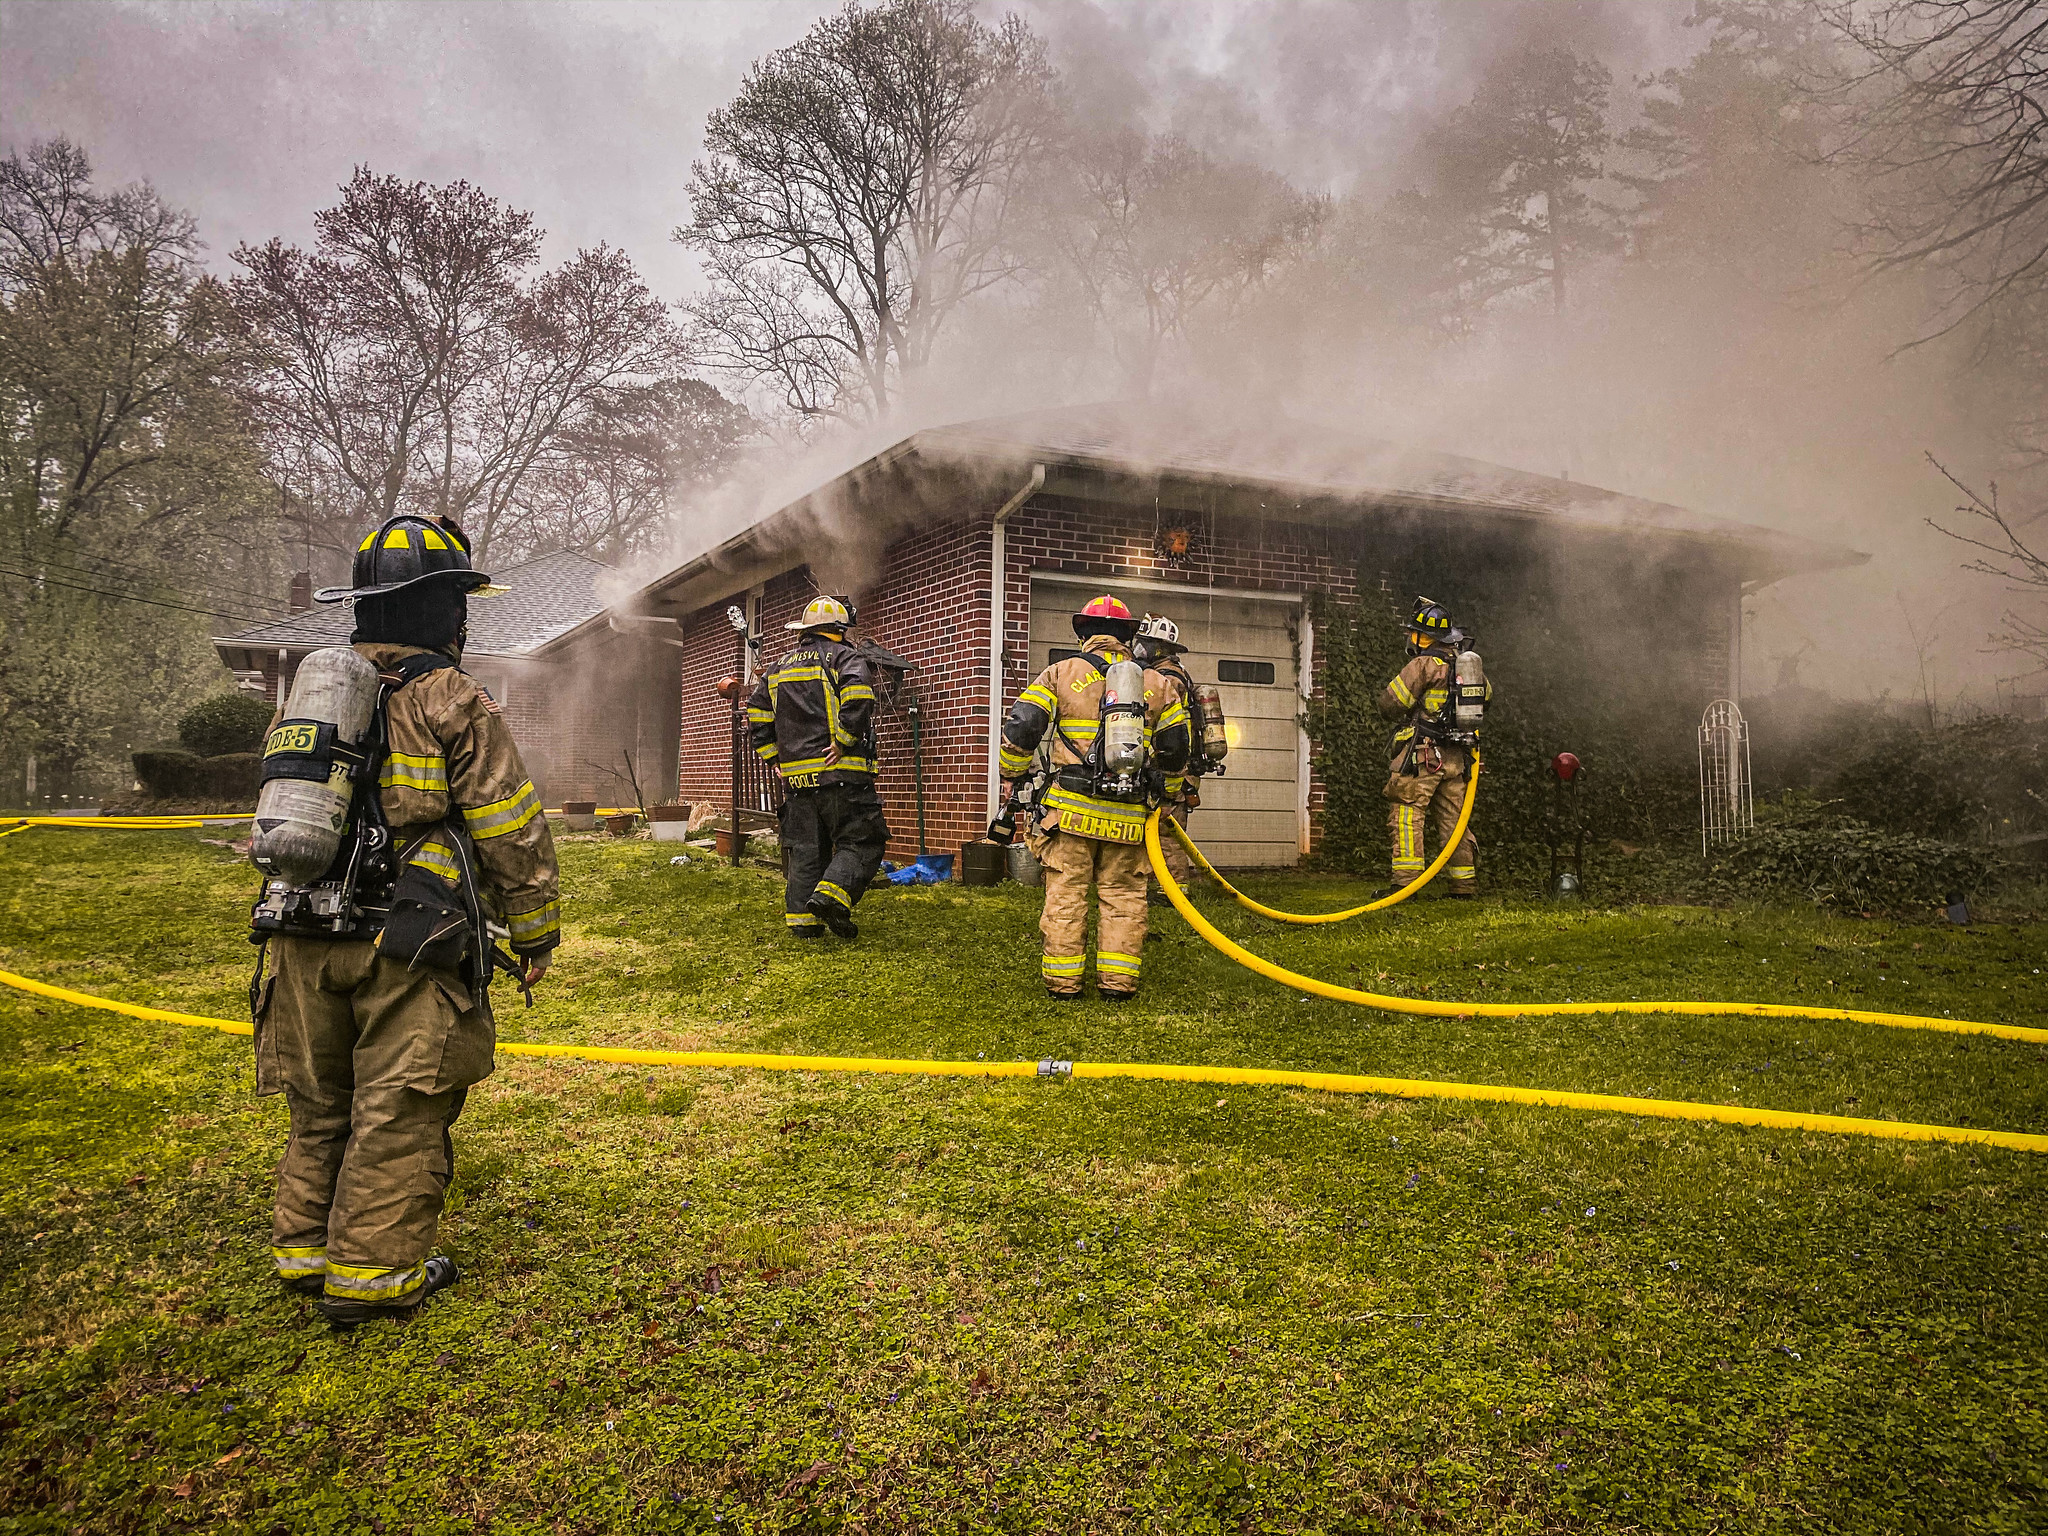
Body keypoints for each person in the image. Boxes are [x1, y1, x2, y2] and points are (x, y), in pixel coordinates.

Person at [257, 513, 560, 1329]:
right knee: (397, 1107)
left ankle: (303, 1253)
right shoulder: (449, 697)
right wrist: (534, 933)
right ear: (445, 612)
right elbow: (508, 824)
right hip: (407, 940)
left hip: (297, 932)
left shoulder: (315, 693)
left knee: (320, 1103)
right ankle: (373, 1278)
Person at [999, 595, 1191, 999]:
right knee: (1123, 896)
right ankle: (1118, 985)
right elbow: (1175, 749)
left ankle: (1063, 984)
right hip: (1129, 815)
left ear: (1083, 633)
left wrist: (1010, 775)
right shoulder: (1157, 684)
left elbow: (1020, 729)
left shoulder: (1060, 673)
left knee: (1066, 894)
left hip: (1068, 814)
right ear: (1127, 636)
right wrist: (1170, 797)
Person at [747, 594, 889, 939]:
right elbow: (858, 699)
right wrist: (842, 741)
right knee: (863, 841)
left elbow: (757, 714)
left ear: (805, 630)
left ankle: (802, 923)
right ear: (839, 629)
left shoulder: (777, 667)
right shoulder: (845, 657)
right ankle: (829, 897)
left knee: (807, 849)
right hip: (840, 773)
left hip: (796, 778)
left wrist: (774, 758)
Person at [1376, 595, 1487, 899]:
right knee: (1455, 821)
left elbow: (1391, 703)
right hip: (1455, 759)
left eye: (1416, 633)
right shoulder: (1467, 667)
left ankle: (1405, 884)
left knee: (1408, 814)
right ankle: (1463, 886)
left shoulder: (1423, 665)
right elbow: (1485, 699)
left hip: (1424, 757)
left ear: (1425, 637)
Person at [1132, 612, 1205, 903]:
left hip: (1175, 765)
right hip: (1170, 762)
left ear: (1159, 648)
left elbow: (1166, 726)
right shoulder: (1170, 674)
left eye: (1146, 643)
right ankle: (1161, 885)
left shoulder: (1169, 680)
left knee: (1168, 830)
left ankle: (1173, 891)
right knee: (1159, 827)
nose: (1140, 648)